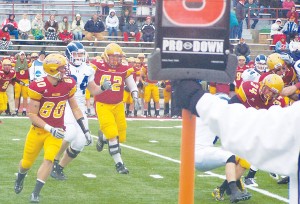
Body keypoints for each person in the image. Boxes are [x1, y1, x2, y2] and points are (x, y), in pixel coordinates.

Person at [174, 80, 299, 204]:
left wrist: (198, 100)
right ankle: (233, 189)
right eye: (268, 90)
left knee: (245, 160)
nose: (269, 94)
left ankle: (223, 188)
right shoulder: (249, 90)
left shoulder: (278, 104)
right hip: (205, 148)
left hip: (234, 130)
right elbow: (231, 112)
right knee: (232, 157)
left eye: (274, 93)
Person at [14, 53, 92, 203]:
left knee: (49, 159)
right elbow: (32, 114)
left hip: (57, 130)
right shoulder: (38, 86)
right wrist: (50, 128)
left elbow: (75, 108)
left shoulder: (68, 84)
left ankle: (35, 194)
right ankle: (20, 178)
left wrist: (85, 130)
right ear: (52, 69)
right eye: (62, 68)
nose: (65, 70)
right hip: (39, 130)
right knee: (26, 163)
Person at [50, 42, 111, 180]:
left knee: (80, 142)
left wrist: (103, 87)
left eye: (80, 54)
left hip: (80, 104)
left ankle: (59, 168)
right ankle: (53, 160)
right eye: (76, 54)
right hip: (65, 103)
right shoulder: (63, 67)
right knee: (69, 133)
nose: (79, 57)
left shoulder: (88, 69)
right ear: (69, 55)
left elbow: (93, 89)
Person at [92, 43, 139, 174]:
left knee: (121, 136)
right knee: (112, 134)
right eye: (112, 57)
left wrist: (135, 95)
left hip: (118, 104)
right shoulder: (97, 65)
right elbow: (88, 78)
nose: (115, 60)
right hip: (102, 104)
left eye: (117, 57)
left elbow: (131, 83)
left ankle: (102, 138)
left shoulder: (124, 67)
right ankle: (119, 164)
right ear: (106, 56)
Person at [195, 94, 251, 202]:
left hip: (205, 152)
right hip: (199, 154)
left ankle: (223, 189)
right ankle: (234, 191)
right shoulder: (213, 118)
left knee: (244, 157)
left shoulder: (211, 116)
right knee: (230, 156)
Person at [14, 51, 30, 116]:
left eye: (23, 55)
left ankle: (24, 110)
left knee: (25, 96)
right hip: (18, 80)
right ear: (19, 56)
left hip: (25, 80)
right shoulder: (16, 62)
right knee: (17, 96)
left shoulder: (28, 62)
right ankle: (16, 109)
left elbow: (32, 63)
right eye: (21, 55)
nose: (22, 56)